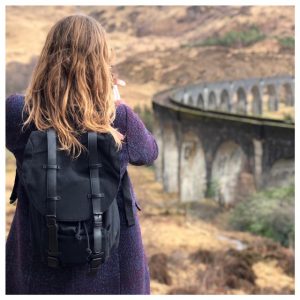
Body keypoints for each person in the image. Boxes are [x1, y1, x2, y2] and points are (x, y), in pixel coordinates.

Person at [6, 14, 158, 294]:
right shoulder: (118, 118)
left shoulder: (18, 113)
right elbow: (149, 152)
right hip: (114, 275)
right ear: (101, 64)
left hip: (34, 274)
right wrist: (114, 101)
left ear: (47, 59)